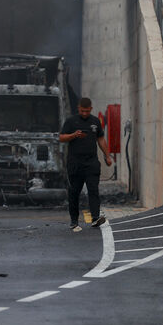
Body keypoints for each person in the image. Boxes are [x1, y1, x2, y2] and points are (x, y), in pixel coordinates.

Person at [59, 97, 114, 232]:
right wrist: (74, 135)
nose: (84, 113)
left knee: (93, 190)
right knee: (74, 192)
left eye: (87, 111)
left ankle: (95, 218)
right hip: (75, 163)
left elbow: (100, 139)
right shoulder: (71, 121)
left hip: (91, 163)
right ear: (79, 109)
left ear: (91, 109)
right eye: (82, 111)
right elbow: (61, 137)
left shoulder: (95, 121)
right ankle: (74, 221)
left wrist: (107, 156)